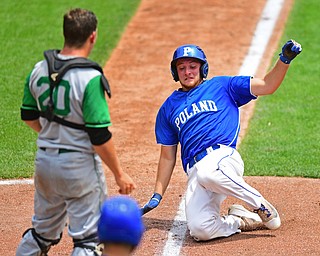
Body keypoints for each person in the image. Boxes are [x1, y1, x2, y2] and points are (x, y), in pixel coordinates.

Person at [141, 40, 302, 241]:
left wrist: (284, 59)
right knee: (200, 229)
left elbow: (268, 85)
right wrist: (157, 194)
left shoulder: (223, 86)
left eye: (192, 66)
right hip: (195, 172)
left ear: (202, 68)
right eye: (181, 68)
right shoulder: (167, 109)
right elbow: (167, 157)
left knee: (208, 173)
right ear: (175, 72)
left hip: (223, 158)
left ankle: (259, 204)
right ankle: (240, 219)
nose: (187, 72)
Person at [17, 8, 136, 255]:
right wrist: (119, 173)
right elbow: (99, 136)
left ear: (66, 33)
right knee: (89, 239)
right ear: (92, 36)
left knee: (42, 233)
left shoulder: (39, 69)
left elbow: (28, 115)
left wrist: (52, 134)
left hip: (45, 163)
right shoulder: (90, 77)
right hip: (78, 167)